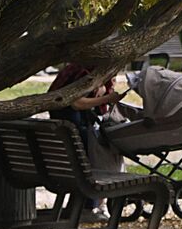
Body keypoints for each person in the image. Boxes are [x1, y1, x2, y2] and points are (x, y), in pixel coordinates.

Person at [48, 62, 125, 219]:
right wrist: (106, 98)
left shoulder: (73, 70)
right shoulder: (85, 74)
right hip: (75, 138)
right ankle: (89, 208)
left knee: (81, 161)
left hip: (58, 164)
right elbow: (77, 103)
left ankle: (83, 206)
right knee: (89, 160)